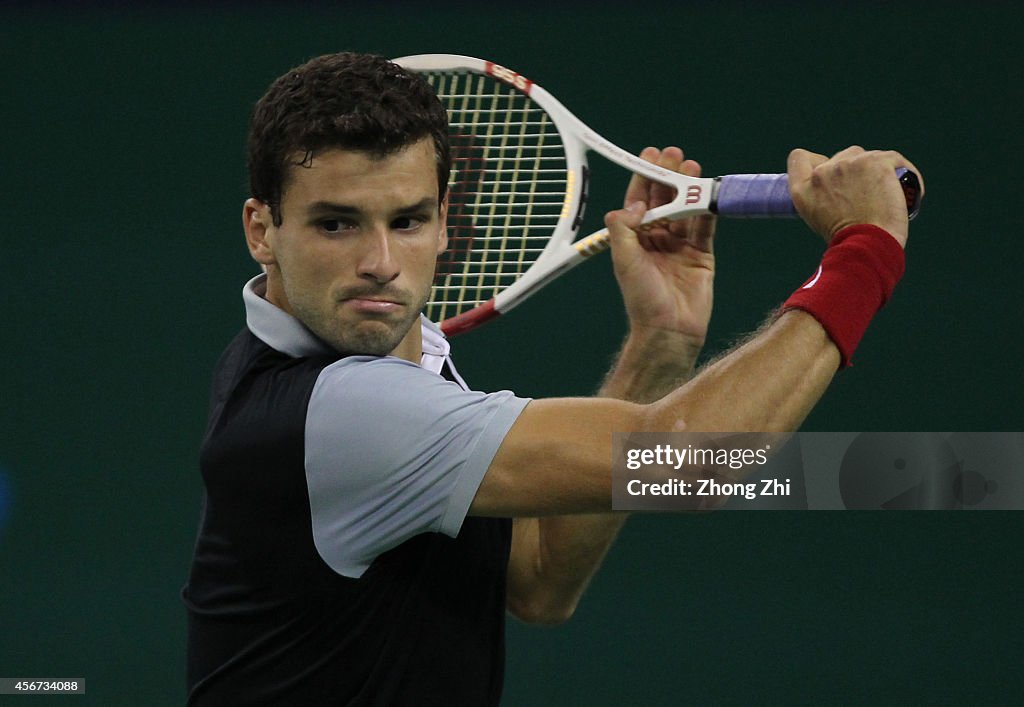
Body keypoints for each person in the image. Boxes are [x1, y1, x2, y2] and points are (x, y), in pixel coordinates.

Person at [182, 52, 922, 704]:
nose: (380, 260)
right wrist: (866, 251)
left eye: (406, 220)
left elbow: (538, 581)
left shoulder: (372, 358)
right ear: (261, 229)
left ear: (445, 220)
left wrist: (657, 349)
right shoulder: (342, 410)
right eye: (336, 224)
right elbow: (690, 459)